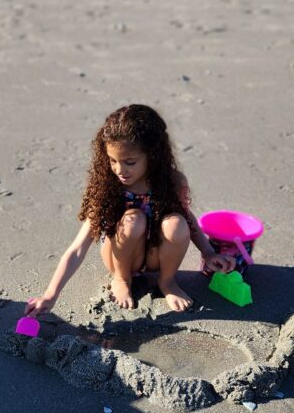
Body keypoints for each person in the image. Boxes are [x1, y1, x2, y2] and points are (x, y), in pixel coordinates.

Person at [24, 104, 235, 317]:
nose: (119, 170)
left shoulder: (172, 182)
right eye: (112, 160)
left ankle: (167, 282)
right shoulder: (108, 185)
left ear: (152, 156)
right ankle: (122, 279)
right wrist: (50, 295)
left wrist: (208, 253)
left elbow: (188, 220)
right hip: (120, 257)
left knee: (177, 223)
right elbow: (78, 248)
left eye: (130, 162)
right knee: (134, 220)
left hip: (156, 257)